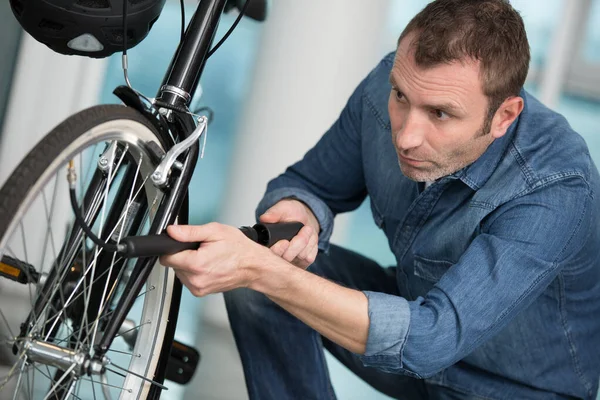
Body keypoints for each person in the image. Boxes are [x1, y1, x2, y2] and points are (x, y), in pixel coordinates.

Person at [160, 0, 600, 398]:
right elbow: (310, 183)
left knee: (264, 272)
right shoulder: (386, 86)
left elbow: (432, 340)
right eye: (401, 97)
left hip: (508, 389)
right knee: (263, 269)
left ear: (504, 116)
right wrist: (300, 211)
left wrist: (263, 271)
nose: (405, 136)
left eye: (440, 114)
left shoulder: (556, 188)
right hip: (416, 336)